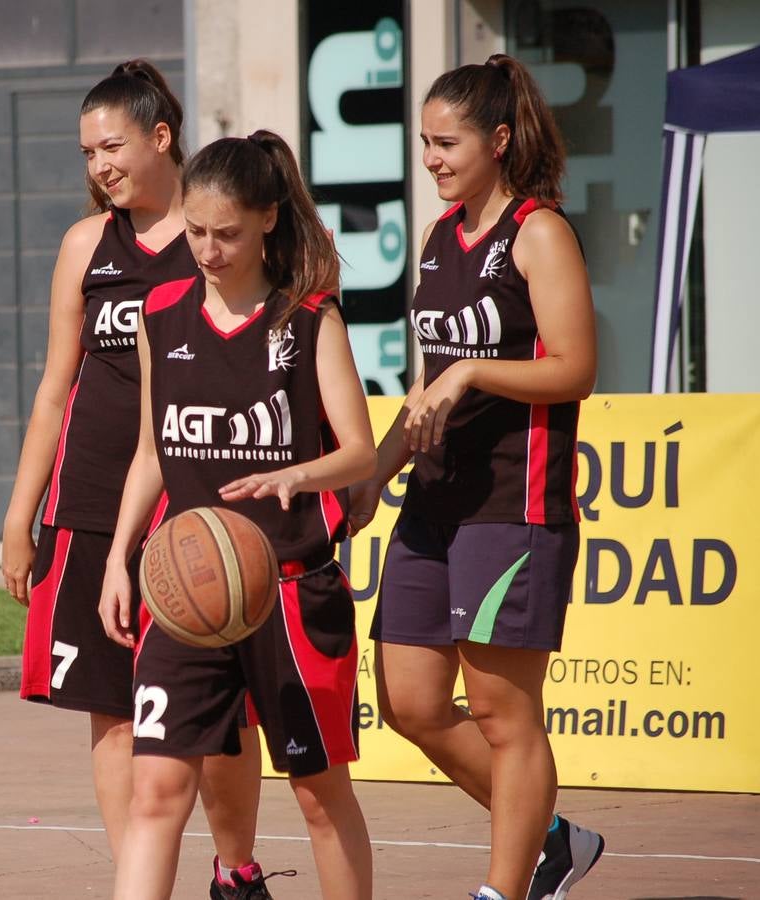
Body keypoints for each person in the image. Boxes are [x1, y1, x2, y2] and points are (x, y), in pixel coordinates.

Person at [0, 60, 273, 899]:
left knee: (220, 721)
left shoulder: (211, 233)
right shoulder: (86, 245)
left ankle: (236, 873)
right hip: (89, 510)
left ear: (161, 137)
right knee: (113, 713)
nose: (99, 166)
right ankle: (139, 884)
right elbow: (54, 389)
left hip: (198, 511)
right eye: (86, 152)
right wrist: (19, 518)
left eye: (112, 145)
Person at [346, 54, 605, 900]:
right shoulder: (436, 239)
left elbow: (573, 370)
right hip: (431, 503)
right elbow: (425, 391)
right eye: (423, 142)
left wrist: (476, 373)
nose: (430, 158)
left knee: (503, 714)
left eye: (445, 141)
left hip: (511, 502)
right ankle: (552, 838)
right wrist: (366, 480)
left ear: (498, 140)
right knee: (410, 704)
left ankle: (506, 888)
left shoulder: (537, 232)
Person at [99, 129, 376, 900]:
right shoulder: (159, 311)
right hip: (184, 590)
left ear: (266, 220)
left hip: (288, 591)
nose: (208, 250)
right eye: (193, 232)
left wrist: (300, 472)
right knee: (155, 790)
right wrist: (121, 560)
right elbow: (154, 450)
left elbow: (358, 450)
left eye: (225, 233)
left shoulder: (308, 319)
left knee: (320, 798)